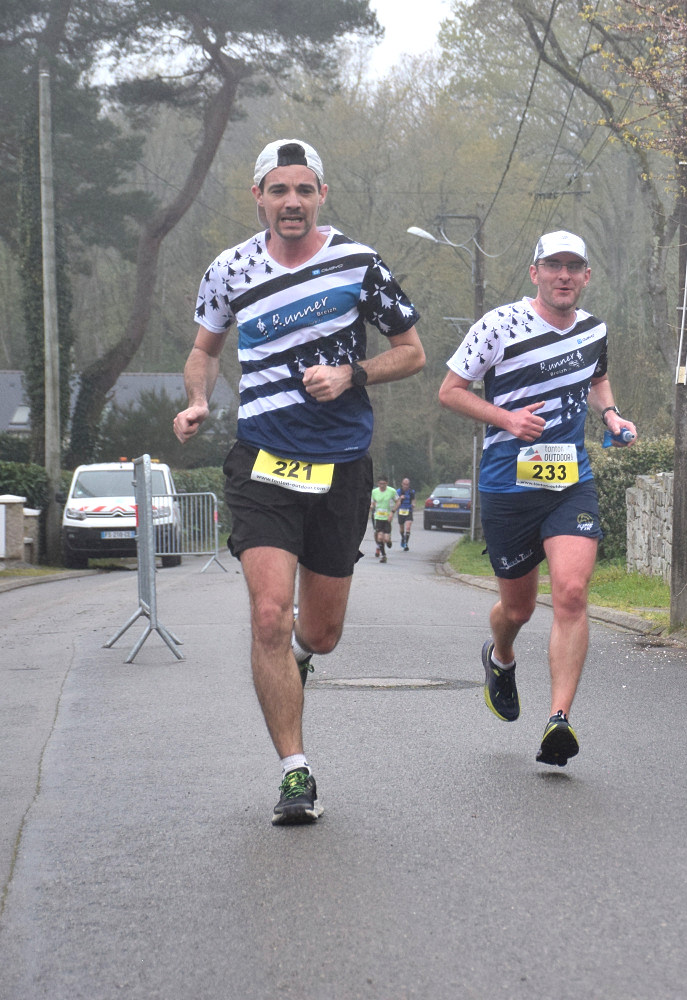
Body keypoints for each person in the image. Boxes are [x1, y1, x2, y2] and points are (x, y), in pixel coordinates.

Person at [173, 139, 425, 824]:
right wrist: (198, 400)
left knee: (321, 631)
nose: (292, 202)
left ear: (321, 196)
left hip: (341, 463)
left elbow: (412, 353)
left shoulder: (358, 264)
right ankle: (295, 773)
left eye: (304, 190)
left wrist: (352, 374)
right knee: (268, 615)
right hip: (262, 461)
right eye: (279, 190)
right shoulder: (229, 270)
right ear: (258, 196)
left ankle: (303, 657)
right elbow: (203, 350)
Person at [437, 230, 635, 767]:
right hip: (508, 485)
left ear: (586, 276)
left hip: (570, 483)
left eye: (573, 267)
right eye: (553, 266)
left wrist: (611, 416)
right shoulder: (498, 326)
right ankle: (500, 656)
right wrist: (506, 419)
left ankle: (558, 719)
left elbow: (597, 377)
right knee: (519, 608)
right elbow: (449, 391)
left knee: (570, 593)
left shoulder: (594, 330)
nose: (563, 276)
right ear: (536, 273)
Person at [370, 476, 397, 561]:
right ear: (378, 484)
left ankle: (388, 541)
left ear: (387, 483)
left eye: (384, 484)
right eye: (380, 484)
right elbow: (373, 502)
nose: (382, 486)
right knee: (379, 537)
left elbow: (398, 501)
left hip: (387, 518)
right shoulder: (374, 492)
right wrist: (371, 506)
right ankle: (383, 556)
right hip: (378, 517)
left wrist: (392, 512)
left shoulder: (392, 491)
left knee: (386, 538)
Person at [394, 477, 417, 550]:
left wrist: (413, 504)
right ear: (402, 484)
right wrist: (400, 498)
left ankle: (406, 544)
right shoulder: (398, 491)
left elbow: (413, 500)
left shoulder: (411, 492)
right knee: (401, 528)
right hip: (401, 511)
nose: (405, 486)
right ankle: (402, 538)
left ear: (409, 485)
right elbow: (395, 501)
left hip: (408, 511)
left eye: (407, 484)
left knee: (408, 527)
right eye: (404, 484)